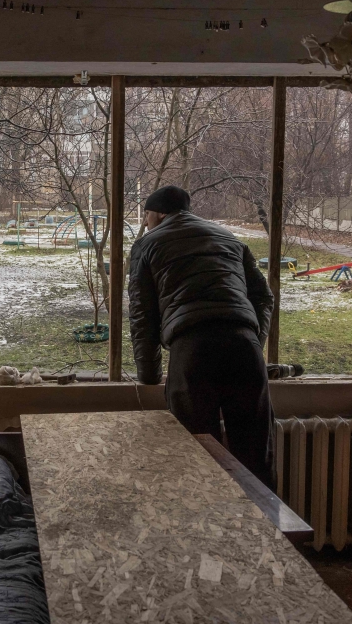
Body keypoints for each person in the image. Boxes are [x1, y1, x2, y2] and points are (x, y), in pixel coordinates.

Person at [128, 185, 277, 489]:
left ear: (156, 214)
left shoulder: (147, 244)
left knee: (194, 459)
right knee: (255, 460)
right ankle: (268, 534)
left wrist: (148, 376)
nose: (145, 223)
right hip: (244, 348)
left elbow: (143, 316)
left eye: (146, 216)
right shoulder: (229, 238)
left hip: (193, 350)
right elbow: (263, 296)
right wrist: (254, 342)